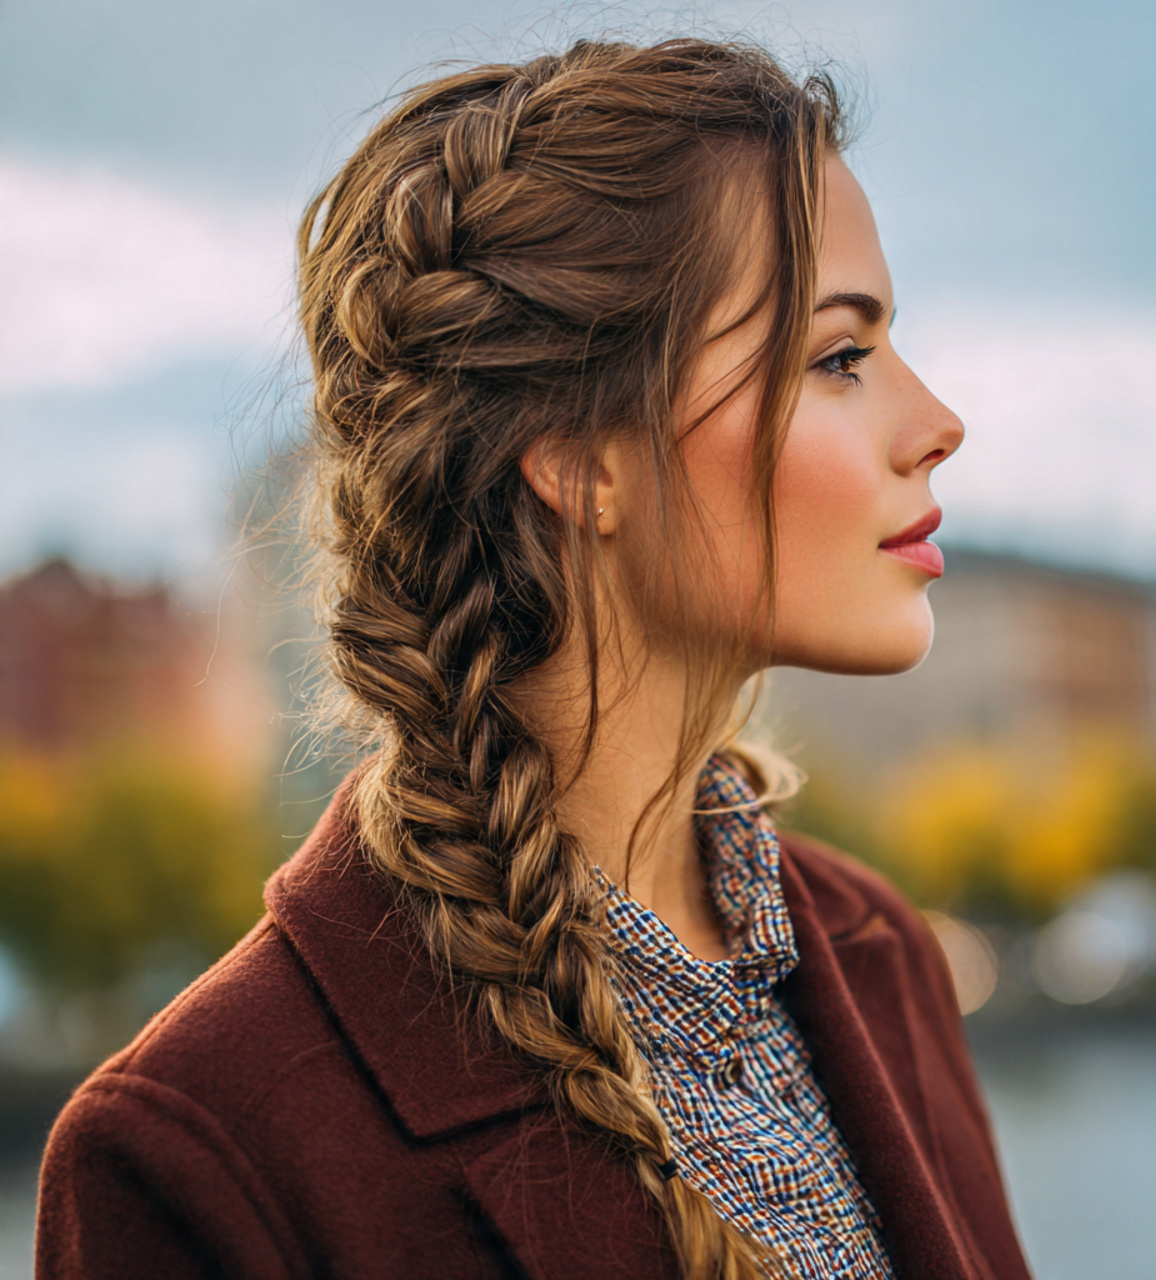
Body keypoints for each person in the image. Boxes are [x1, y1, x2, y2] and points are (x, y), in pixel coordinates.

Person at [37, 37, 1031, 1280]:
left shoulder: (881, 954)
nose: (937, 422)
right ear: (574, 454)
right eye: (837, 356)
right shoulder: (197, 1153)